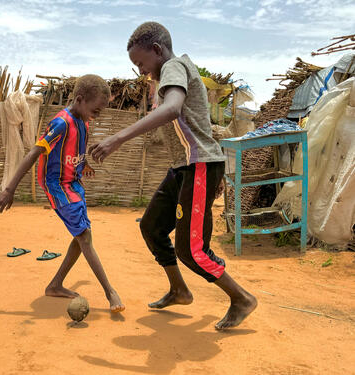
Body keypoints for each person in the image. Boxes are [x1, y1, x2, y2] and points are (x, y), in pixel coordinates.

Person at [89, 22, 256, 329]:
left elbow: (173, 109)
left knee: (191, 250)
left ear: (157, 50)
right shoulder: (170, 73)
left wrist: (117, 138)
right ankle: (179, 290)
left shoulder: (174, 67)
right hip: (185, 169)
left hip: (200, 165)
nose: (140, 71)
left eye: (140, 63)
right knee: (152, 227)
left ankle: (241, 298)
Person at [0, 74, 125, 313]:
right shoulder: (60, 123)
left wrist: (82, 164)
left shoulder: (84, 121)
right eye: (96, 110)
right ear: (79, 99)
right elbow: (34, 153)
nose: (98, 115)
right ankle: (110, 292)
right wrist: (10, 189)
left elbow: (76, 148)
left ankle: (55, 285)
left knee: (81, 236)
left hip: (73, 183)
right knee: (84, 237)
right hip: (57, 186)